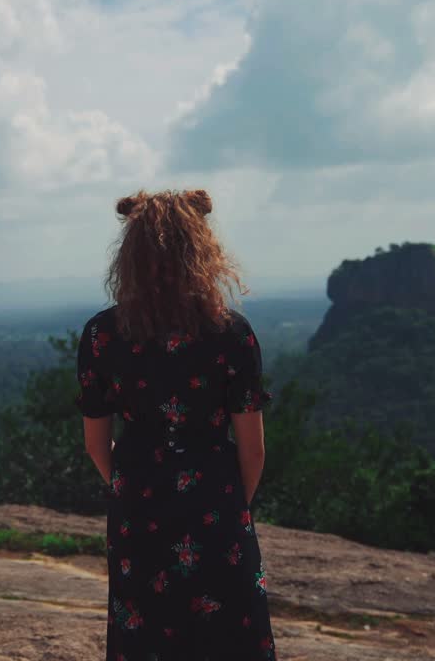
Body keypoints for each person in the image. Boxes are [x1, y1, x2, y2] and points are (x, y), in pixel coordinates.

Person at [74, 188, 278, 661]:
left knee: (144, 636)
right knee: (229, 637)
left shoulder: (101, 335)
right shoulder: (231, 333)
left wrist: (137, 487)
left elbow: (95, 446)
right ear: (202, 252)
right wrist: (223, 506)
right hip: (217, 502)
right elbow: (253, 452)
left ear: (131, 257)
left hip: (137, 507)